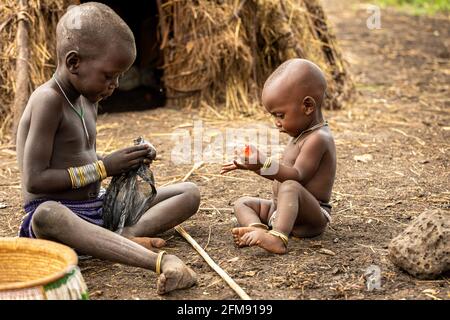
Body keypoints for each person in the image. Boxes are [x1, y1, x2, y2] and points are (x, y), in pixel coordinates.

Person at [16, 2, 199, 294]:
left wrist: (129, 159)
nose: (114, 85)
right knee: (46, 214)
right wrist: (104, 167)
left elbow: (80, 157)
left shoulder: (88, 99)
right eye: (109, 75)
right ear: (74, 63)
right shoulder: (48, 101)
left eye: (119, 77)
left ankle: (124, 236)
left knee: (189, 192)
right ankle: (162, 261)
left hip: (98, 208)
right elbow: (36, 179)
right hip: (61, 218)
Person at [221, 58, 336, 254]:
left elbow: (296, 177)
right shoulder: (301, 134)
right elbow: (281, 174)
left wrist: (264, 162)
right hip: (281, 209)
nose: (276, 122)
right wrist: (255, 167)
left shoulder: (318, 138)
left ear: (307, 106)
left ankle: (278, 238)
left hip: (311, 216)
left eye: (280, 115)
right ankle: (257, 229)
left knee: (291, 186)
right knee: (243, 203)